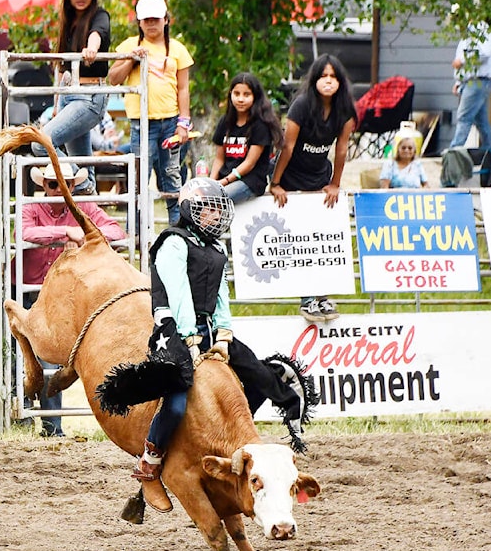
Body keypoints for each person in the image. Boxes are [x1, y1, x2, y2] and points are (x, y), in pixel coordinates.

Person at [133, 177, 312, 512]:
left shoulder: (216, 248)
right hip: (172, 327)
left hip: (210, 328)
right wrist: (189, 336)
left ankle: (229, 428)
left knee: (260, 375)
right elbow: (179, 293)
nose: (215, 216)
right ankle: (150, 462)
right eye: (208, 210)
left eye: (218, 210)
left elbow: (220, 293)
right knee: (175, 403)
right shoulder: (172, 243)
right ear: (189, 211)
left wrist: (225, 333)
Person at [20, 162, 126, 435]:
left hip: (59, 297)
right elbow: (24, 232)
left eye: (63, 184)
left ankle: (51, 425)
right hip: (27, 289)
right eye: (52, 183)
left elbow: (116, 230)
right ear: (43, 184)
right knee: (18, 355)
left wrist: (88, 236)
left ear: (73, 186)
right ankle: (24, 415)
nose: (58, 189)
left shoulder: (85, 209)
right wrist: (66, 232)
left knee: (49, 357)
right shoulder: (31, 208)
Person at [269, 54, 356, 323]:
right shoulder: (302, 105)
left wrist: (335, 185)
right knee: (300, 237)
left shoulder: (345, 111)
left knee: (320, 236)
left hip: (320, 176)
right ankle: (307, 299)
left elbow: (341, 149)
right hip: (292, 176)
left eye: (333, 77)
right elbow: (288, 146)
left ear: (340, 81)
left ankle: (323, 297)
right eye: (323, 76)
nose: (328, 81)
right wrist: (276, 183)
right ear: (315, 79)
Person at [107, 0, 193, 224]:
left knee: (171, 175)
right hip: (141, 121)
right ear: (139, 22)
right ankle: (134, 231)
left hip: (171, 121)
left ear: (166, 20)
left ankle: (178, 227)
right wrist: (130, 59)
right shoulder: (129, 45)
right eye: (147, 20)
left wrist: (184, 122)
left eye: (156, 19)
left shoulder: (177, 49)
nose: (152, 24)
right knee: (139, 175)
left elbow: (183, 88)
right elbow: (113, 78)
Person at [28, 0, 111, 196]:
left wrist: (91, 49)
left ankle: (81, 184)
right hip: (68, 93)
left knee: (40, 143)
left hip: (89, 95)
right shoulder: (68, 22)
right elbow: (61, 66)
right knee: (81, 161)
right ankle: (91, 207)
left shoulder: (99, 15)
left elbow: (98, 33)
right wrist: (57, 105)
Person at [209, 72, 283, 204]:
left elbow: (249, 163)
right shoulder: (225, 122)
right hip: (224, 179)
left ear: (255, 96)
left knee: (216, 200)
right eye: (236, 94)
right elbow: (219, 158)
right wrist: (211, 183)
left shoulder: (260, 125)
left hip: (249, 181)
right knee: (200, 197)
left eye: (246, 94)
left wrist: (225, 182)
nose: (241, 99)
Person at [449, 20, 491, 168]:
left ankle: (453, 155)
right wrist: (459, 81)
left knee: (464, 117)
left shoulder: (482, 31)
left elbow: (484, 53)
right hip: (469, 81)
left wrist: (463, 61)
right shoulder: (467, 35)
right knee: (481, 121)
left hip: (479, 81)